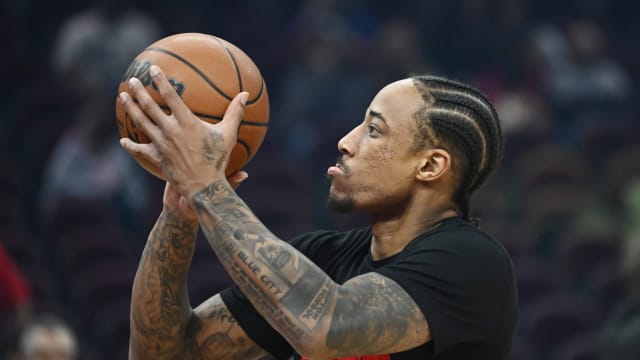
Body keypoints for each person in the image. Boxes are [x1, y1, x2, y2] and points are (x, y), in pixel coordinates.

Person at [121, 65, 518, 359]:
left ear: (430, 166)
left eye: (374, 130)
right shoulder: (322, 256)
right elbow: (166, 355)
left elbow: (327, 328)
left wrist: (207, 183)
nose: (346, 142)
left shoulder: (472, 262)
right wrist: (180, 212)